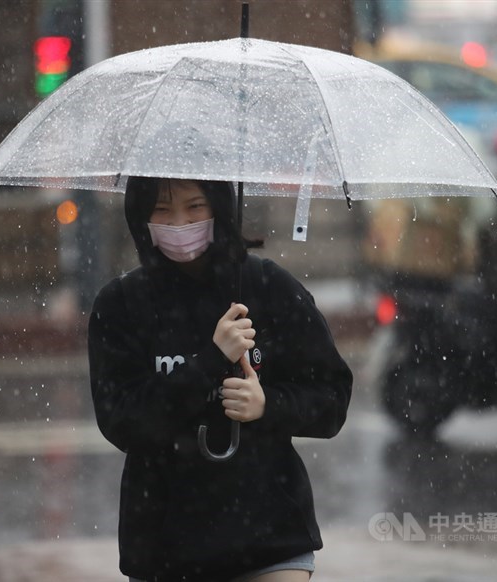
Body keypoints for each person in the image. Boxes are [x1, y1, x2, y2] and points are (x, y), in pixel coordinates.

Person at [88, 177, 353, 582]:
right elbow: (123, 422)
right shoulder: (121, 305)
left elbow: (331, 399)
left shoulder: (267, 286)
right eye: (162, 209)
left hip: (268, 533)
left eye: (195, 206)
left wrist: (267, 406)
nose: (179, 223)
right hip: (165, 544)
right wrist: (209, 362)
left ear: (219, 208)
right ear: (140, 216)